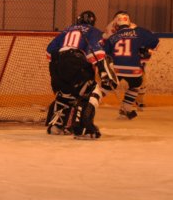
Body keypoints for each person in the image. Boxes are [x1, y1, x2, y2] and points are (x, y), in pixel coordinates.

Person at [45, 10, 118, 139]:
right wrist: (105, 73)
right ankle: (83, 128)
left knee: (66, 94)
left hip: (57, 64)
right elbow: (96, 52)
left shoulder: (67, 30)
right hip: (76, 61)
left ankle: (56, 126)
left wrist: (57, 72)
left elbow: (49, 51)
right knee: (90, 92)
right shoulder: (93, 31)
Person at [103, 11, 159, 120]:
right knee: (137, 83)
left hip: (116, 65)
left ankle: (92, 101)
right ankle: (128, 107)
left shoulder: (112, 31)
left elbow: (105, 49)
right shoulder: (137, 30)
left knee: (106, 86)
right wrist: (144, 52)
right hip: (133, 65)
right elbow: (154, 42)